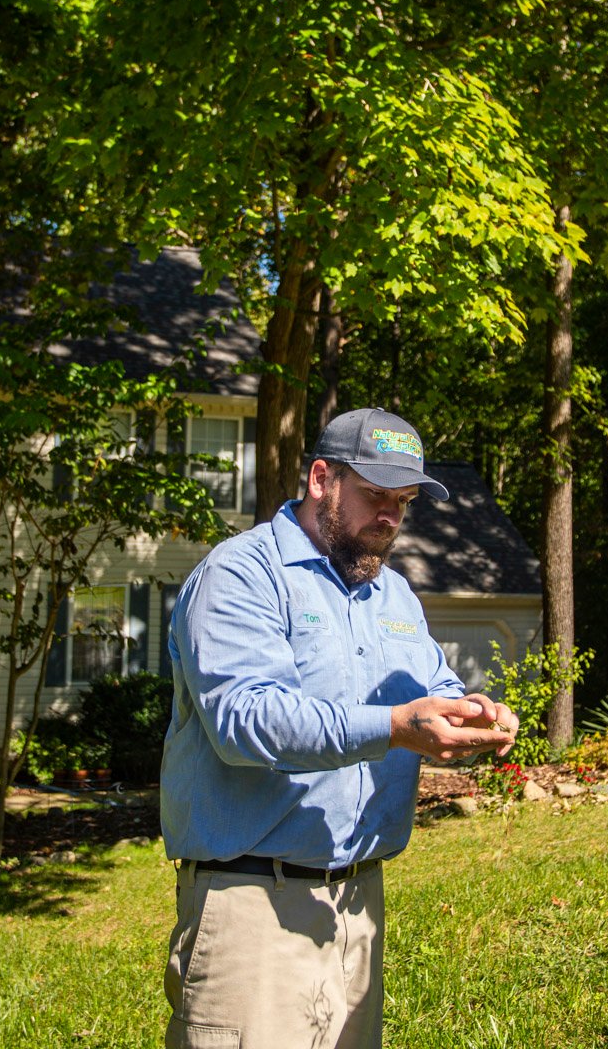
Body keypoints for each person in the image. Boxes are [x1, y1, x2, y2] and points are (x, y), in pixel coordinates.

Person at [160, 406, 517, 1049]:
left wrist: (475, 718)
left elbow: (434, 696)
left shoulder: (394, 596)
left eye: (403, 502)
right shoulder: (241, 575)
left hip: (358, 904)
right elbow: (246, 721)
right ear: (321, 478)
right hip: (252, 906)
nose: (390, 517)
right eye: (375, 495)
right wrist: (394, 727)